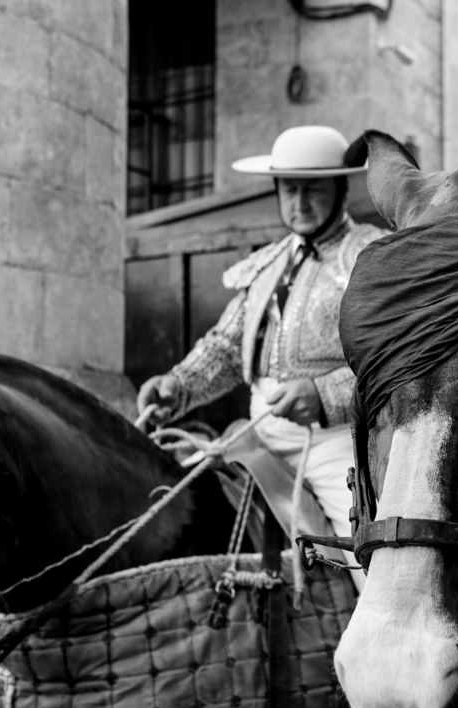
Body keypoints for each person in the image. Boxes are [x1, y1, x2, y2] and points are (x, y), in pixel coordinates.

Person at [137, 125, 385, 589]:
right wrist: (179, 384)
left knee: (372, 569)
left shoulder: (372, 257)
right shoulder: (268, 262)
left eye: (312, 190)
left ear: (340, 189)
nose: (300, 203)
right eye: (289, 190)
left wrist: (324, 393)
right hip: (257, 434)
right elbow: (227, 346)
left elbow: (397, 359)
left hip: (335, 442)